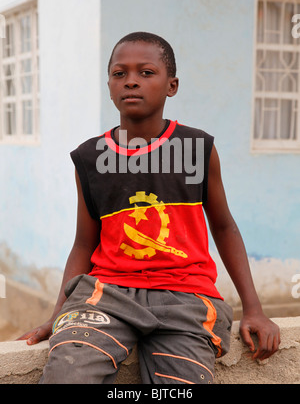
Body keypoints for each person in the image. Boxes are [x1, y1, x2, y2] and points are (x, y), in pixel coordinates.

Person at [19, 32, 280, 384]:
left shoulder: (197, 148)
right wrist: (60, 315)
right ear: (109, 86)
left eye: (146, 72)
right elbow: (84, 243)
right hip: (106, 294)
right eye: (119, 74)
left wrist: (255, 309)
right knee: (67, 373)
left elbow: (224, 227)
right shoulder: (90, 158)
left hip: (186, 297)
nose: (130, 81)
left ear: (171, 85)